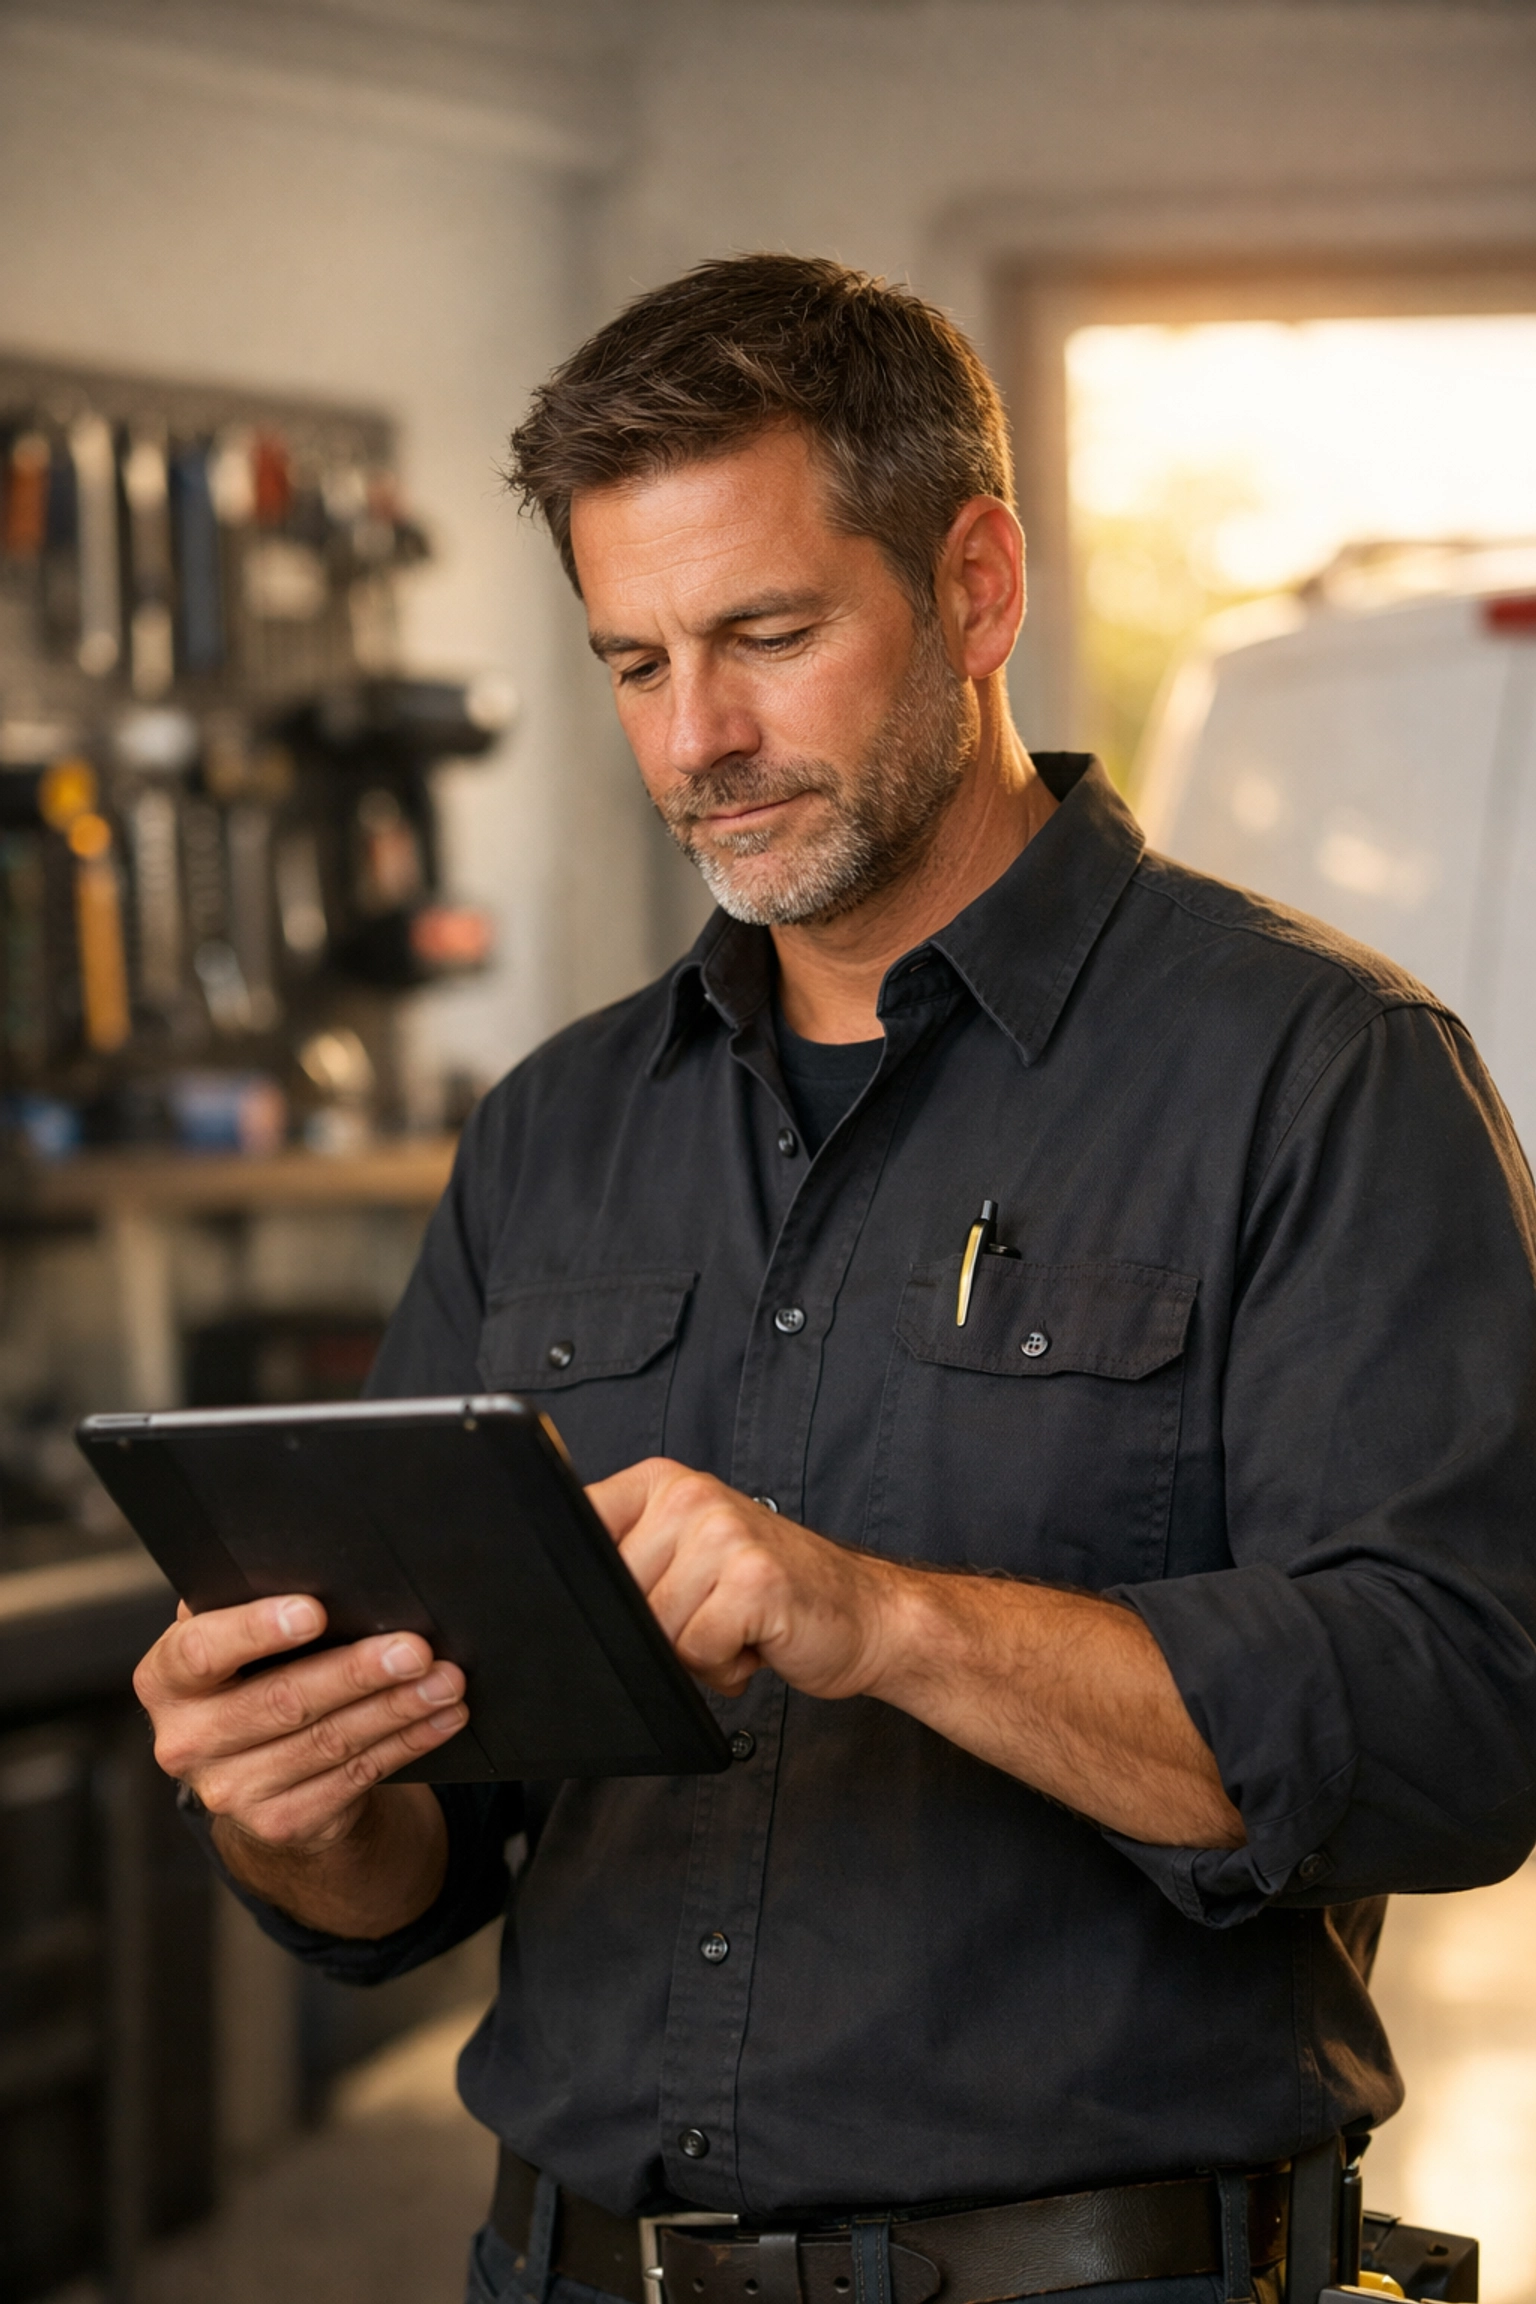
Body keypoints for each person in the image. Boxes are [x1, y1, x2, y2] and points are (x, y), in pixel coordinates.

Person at [135, 256, 1536, 2304]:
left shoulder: (1318, 1075)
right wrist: (288, 1791)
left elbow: (1456, 1733)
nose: (696, 738)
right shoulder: (553, 1133)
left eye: (767, 636)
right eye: (633, 663)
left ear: (977, 587)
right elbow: (418, 1862)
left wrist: (875, 1617)